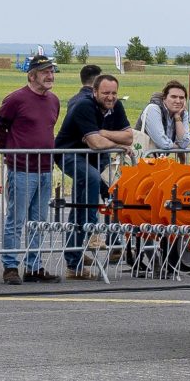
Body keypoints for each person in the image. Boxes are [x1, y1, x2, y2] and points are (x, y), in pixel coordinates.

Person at [54, 73, 134, 280]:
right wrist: (117, 143)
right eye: (106, 93)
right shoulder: (83, 106)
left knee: (117, 188)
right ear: (95, 92)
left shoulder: (116, 107)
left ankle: (116, 241)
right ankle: (89, 239)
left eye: (114, 93)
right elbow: (96, 143)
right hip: (70, 154)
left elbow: (129, 136)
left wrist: (102, 132)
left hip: (97, 157)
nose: (110, 97)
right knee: (89, 183)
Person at [0, 55, 62, 284]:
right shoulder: (16, 99)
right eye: (45, 72)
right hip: (21, 169)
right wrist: (10, 154)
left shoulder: (54, 101)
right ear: (32, 75)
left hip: (45, 169)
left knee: (39, 221)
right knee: (16, 219)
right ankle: (10, 266)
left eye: (51, 71)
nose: (50, 76)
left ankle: (34, 266)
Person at [140, 81, 190, 152]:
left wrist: (177, 117)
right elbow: (162, 143)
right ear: (164, 98)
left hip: (159, 160)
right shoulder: (153, 109)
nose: (178, 101)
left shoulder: (182, 113)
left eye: (181, 98)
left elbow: (184, 143)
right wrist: (177, 147)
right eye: (174, 97)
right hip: (140, 158)